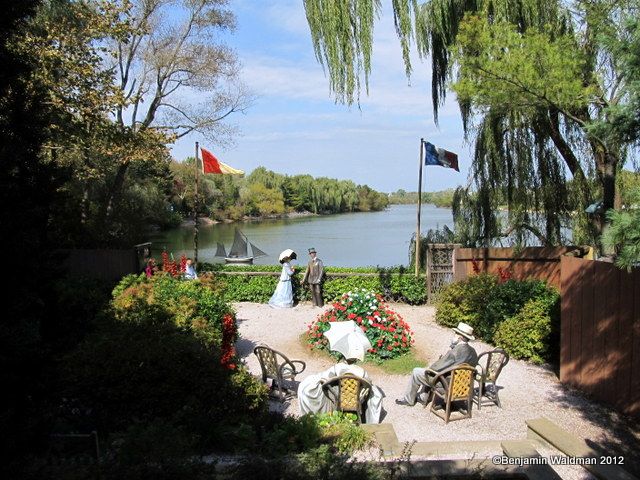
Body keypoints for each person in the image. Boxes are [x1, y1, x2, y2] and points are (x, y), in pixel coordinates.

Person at [396, 322, 478, 406]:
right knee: (430, 372)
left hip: (446, 384)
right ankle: (423, 398)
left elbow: (434, 369)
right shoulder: (473, 352)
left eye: (455, 334)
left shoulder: (454, 352)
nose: (453, 336)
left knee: (418, 372)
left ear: (460, 337)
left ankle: (408, 400)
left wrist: (440, 361)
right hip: (462, 386)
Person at [298, 358, 384, 424]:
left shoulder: (337, 368)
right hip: (356, 399)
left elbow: (325, 378)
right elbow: (369, 383)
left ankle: (333, 416)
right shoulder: (362, 371)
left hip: (339, 397)